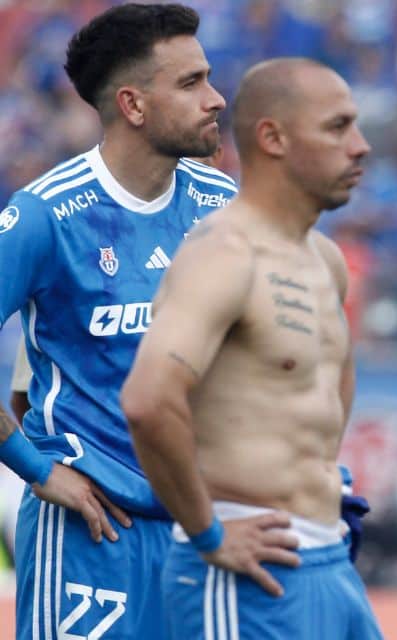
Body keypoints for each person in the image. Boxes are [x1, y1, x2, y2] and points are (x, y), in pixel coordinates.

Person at [120, 57, 380, 638]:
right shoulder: (223, 252)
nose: (360, 146)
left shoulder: (326, 260)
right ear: (273, 138)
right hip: (248, 572)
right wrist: (208, 532)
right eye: (337, 127)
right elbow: (147, 400)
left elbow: (329, 389)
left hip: (329, 559)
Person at [0, 4, 233, 636]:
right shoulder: (46, 214)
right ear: (132, 105)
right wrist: (37, 469)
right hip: (91, 533)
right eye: (191, 83)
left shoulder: (224, 207)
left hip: (201, 533)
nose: (215, 98)